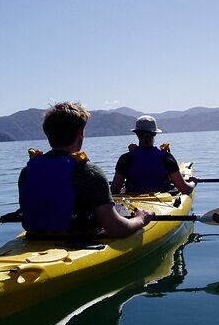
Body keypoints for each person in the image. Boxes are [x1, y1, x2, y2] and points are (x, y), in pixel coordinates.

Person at [18, 102, 153, 238]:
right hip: (81, 240)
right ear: (80, 133)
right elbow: (116, 229)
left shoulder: (27, 172)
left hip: (35, 237)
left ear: (48, 133)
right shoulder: (90, 173)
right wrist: (140, 219)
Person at [110, 115, 195, 194]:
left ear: (137, 134)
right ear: (155, 134)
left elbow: (114, 190)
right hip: (162, 203)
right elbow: (185, 189)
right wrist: (193, 182)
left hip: (132, 203)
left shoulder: (125, 158)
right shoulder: (166, 157)